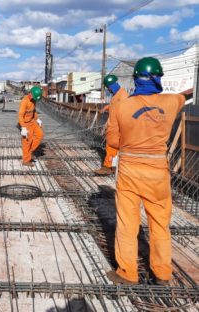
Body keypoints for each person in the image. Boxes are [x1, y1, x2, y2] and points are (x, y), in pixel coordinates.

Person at [106, 57, 185, 285]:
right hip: (158, 171)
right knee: (160, 223)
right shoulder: (172, 102)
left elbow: (113, 139)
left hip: (130, 169)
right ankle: (162, 272)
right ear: (157, 77)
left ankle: (127, 272)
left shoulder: (120, 106)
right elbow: (182, 97)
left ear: (135, 80)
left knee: (127, 223)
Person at [94, 74, 129, 175]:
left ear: (111, 85)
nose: (108, 90)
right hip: (113, 126)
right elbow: (115, 106)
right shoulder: (117, 95)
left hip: (117, 127)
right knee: (114, 148)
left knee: (111, 146)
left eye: (108, 88)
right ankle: (114, 167)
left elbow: (125, 110)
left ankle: (107, 167)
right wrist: (106, 108)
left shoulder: (123, 95)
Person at [18, 86, 44, 167]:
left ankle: (30, 152)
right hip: (25, 123)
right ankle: (26, 160)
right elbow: (20, 115)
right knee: (27, 142)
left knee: (40, 135)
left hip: (32, 121)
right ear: (30, 93)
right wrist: (23, 127)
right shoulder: (25, 101)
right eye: (33, 97)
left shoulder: (33, 100)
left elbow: (33, 111)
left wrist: (37, 119)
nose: (34, 99)